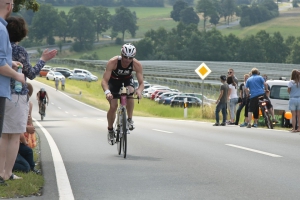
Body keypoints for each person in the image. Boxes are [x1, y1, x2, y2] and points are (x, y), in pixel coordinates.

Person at [0, 1, 27, 185]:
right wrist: (19, 76)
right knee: (13, 135)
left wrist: (11, 64)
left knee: (3, 135)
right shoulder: (2, 30)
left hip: (5, 91)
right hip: (9, 92)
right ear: (9, 5)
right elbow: (0, 64)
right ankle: (5, 173)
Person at [101, 43, 144, 145]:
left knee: (130, 92)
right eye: (125, 57)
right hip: (113, 81)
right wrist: (107, 92)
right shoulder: (113, 62)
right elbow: (104, 81)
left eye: (130, 58)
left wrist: (139, 91)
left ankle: (129, 119)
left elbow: (142, 83)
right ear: (121, 54)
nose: (127, 60)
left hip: (126, 80)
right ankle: (111, 130)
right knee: (113, 106)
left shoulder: (136, 65)